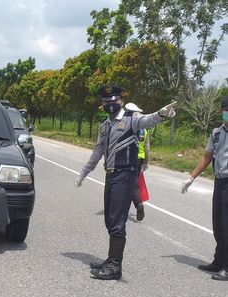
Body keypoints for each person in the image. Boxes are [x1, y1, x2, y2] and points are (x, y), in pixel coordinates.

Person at [74, 84, 176, 280]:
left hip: (125, 175)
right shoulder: (105, 125)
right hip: (110, 175)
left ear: (121, 100)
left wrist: (161, 114)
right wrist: (83, 173)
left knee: (118, 220)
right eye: (106, 101)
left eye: (113, 100)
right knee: (110, 219)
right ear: (102, 104)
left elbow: (148, 120)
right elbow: (97, 151)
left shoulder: (131, 119)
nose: (110, 104)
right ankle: (111, 258)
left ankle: (115, 267)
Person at [181, 96, 228, 281]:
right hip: (220, 182)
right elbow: (207, 158)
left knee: (227, 226)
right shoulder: (217, 133)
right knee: (218, 224)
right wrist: (191, 177)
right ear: (221, 111)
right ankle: (219, 260)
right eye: (226, 109)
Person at [125, 103, 150, 221]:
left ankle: (137, 204)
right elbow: (147, 148)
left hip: (128, 158)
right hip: (140, 159)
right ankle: (136, 204)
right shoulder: (144, 130)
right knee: (134, 182)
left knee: (128, 183)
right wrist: (146, 163)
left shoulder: (127, 127)